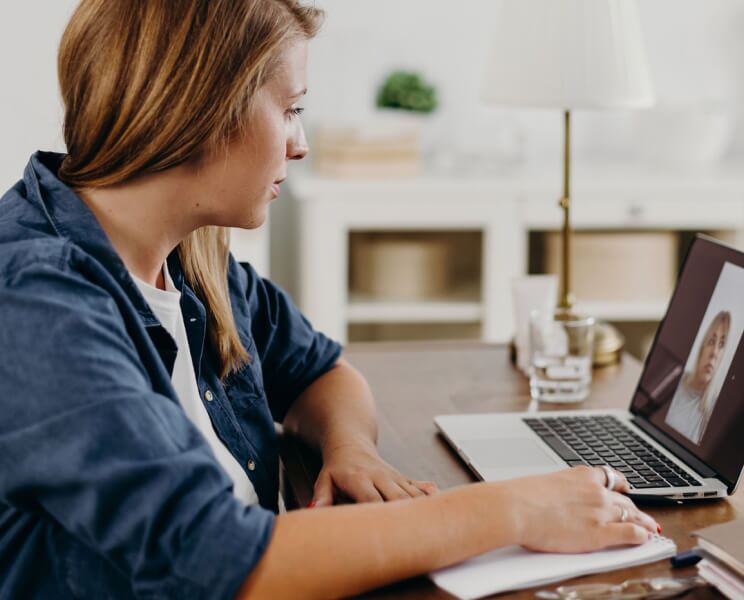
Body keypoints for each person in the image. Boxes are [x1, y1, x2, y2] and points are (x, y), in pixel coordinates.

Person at [0, 1, 660, 598]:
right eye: (289, 108)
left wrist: (352, 450)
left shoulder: (192, 259)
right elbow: (215, 557)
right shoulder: (39, 303)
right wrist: (513, 509)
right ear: (200, 109)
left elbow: (321, 370)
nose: (300, 143)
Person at [666, 310, 731, 444]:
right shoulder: (674, 379)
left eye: (722, 345)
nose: (714, 353)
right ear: (702, 347)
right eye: (712, 341)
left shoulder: (714, 412)